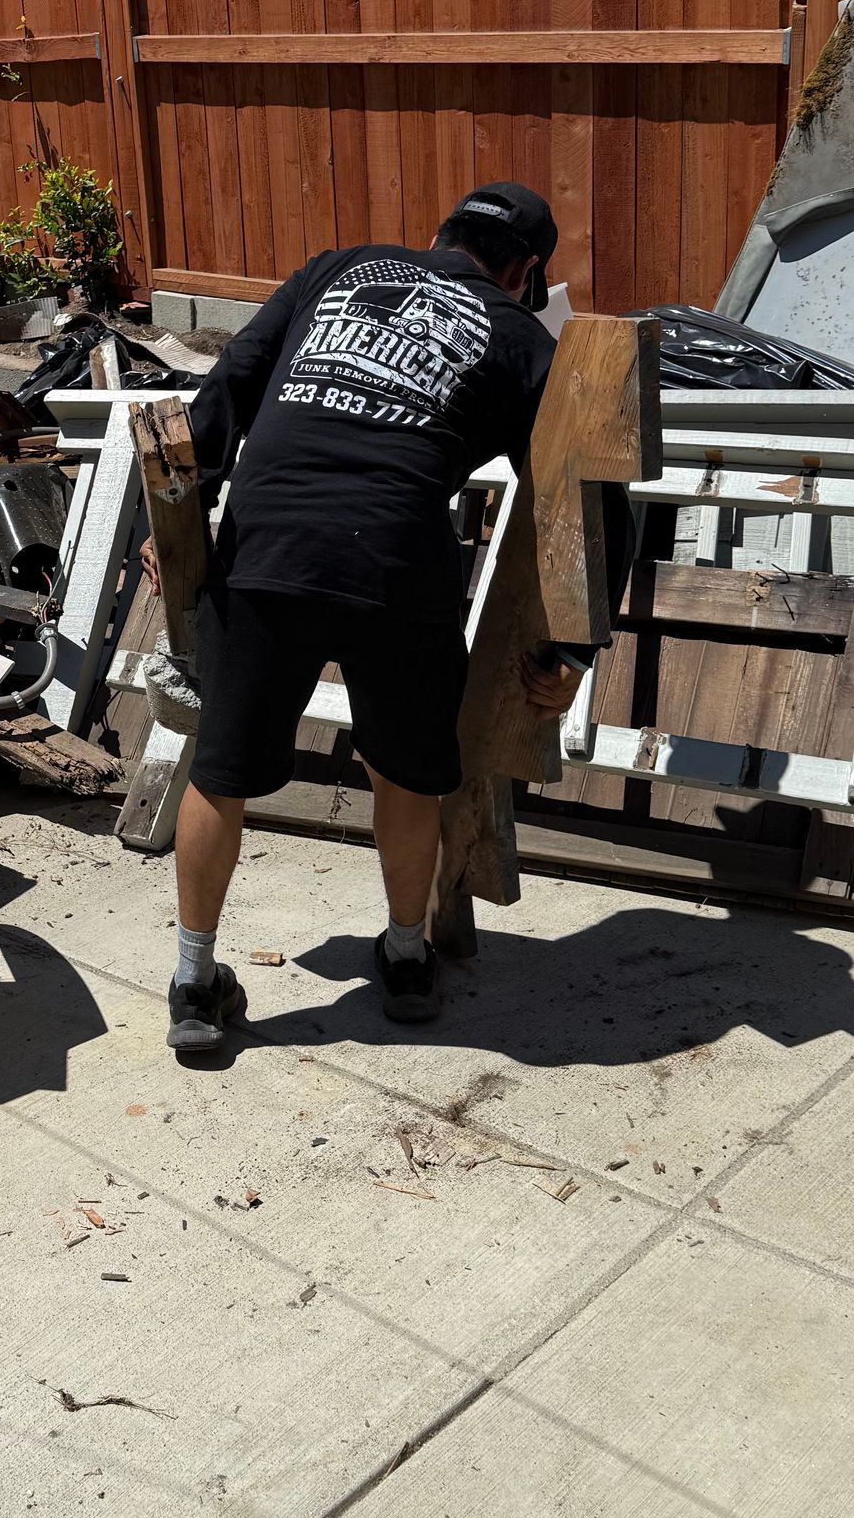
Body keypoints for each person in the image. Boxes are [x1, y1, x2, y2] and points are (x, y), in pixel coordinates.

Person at [154, 182, 607, 1054]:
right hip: (396, 563)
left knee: (222, 772)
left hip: (265, 552)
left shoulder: (336, 271)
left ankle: (194, 982)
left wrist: (178, 516)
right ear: (525, 274)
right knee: (407, 775)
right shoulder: (517, 338)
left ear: (435, 236)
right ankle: (405, 959)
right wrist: (570, 643)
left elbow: (229, 385)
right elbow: (574, 491)